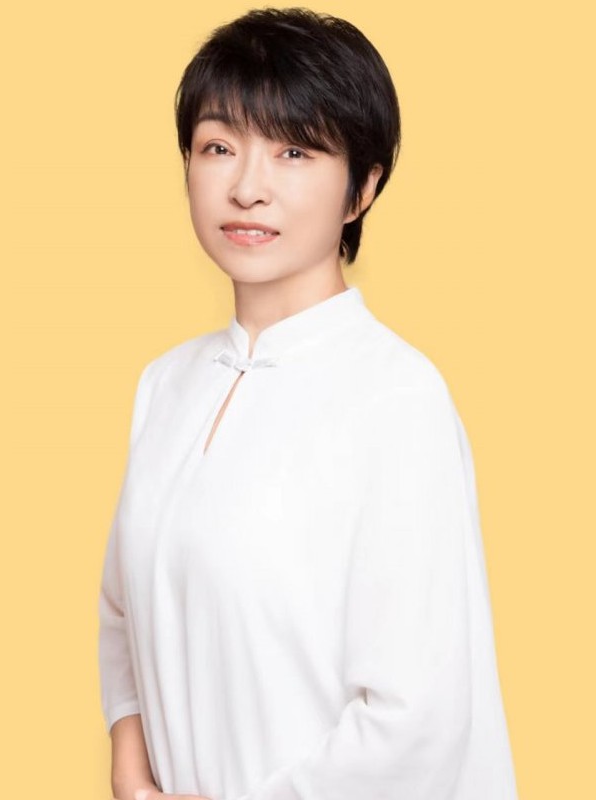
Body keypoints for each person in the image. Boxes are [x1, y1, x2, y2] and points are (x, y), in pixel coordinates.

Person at [98, 7, 519, 800]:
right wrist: (130, 763)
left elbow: (416, 722)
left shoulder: (396, 396)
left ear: (363, 188)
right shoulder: (166, 385)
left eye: (294, 151)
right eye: (218, 147)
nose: (247, 188)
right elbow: (126, 610)